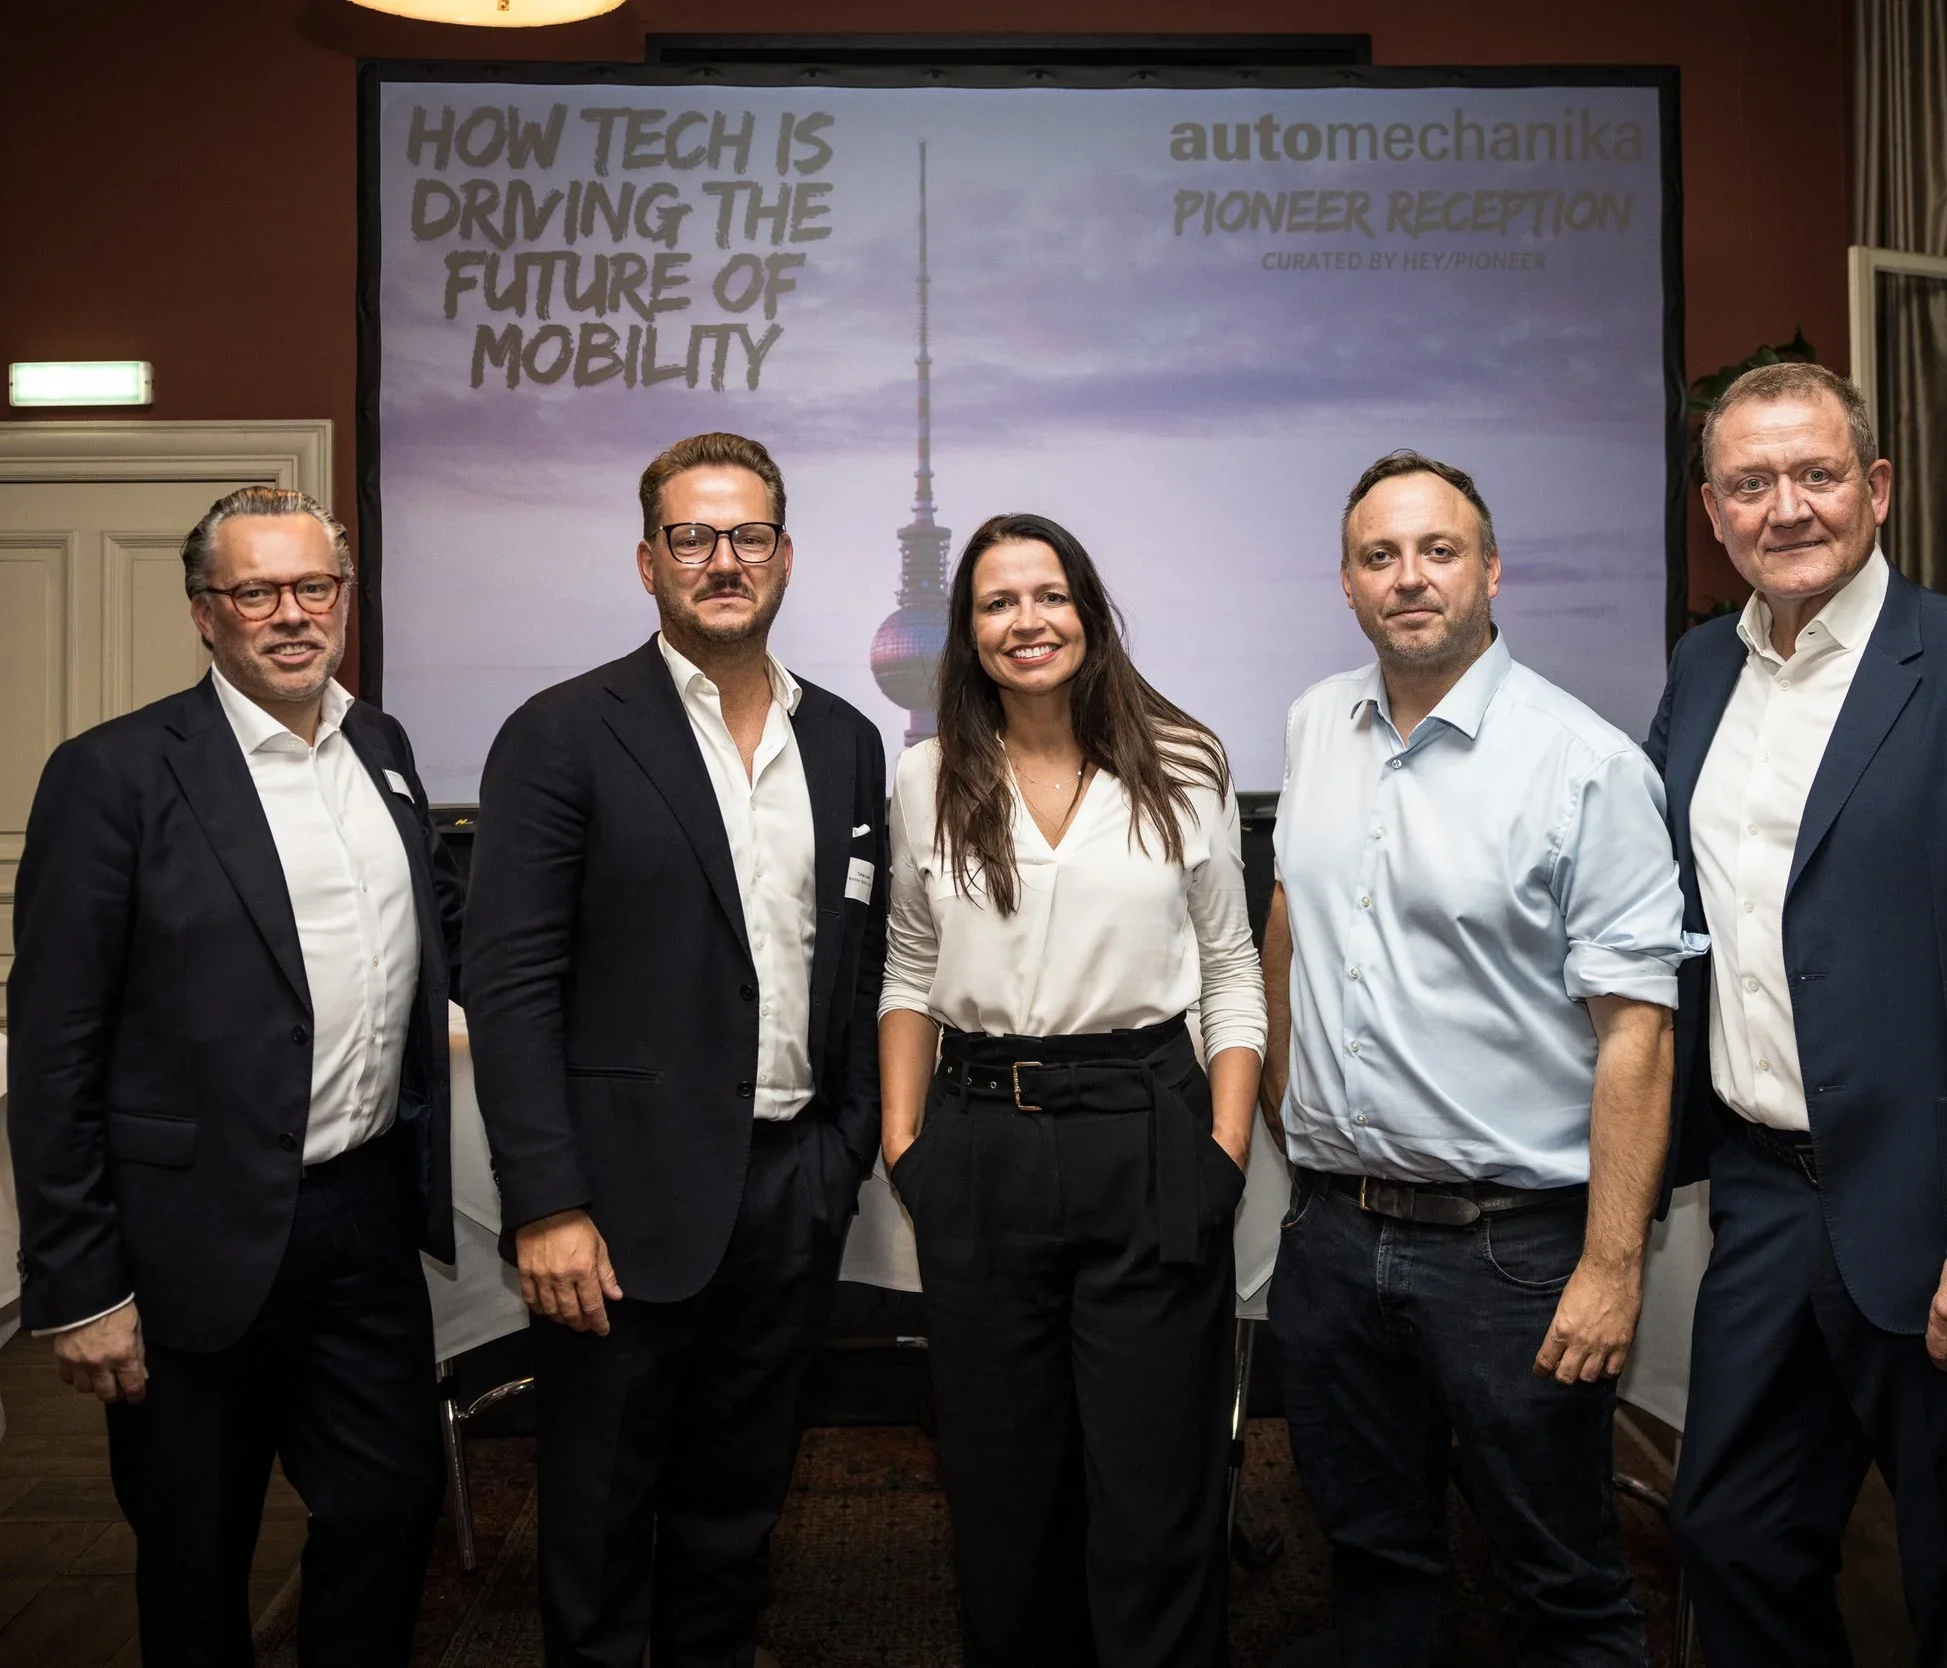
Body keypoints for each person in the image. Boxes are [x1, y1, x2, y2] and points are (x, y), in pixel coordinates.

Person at [1648, 362, 1947, 1667]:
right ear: (1714, 511)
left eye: (1815, 474)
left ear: (1876, 489)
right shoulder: (1700, 673)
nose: (1785, 506)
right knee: (1732, 1539)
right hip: (1763, 1198)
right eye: (1751, 482)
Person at [9, 485, 462, 1666]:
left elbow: (417, 942)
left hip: (363, 1214)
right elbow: (55, 1042)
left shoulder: (383, 746)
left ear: (345, 600)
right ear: (205, 615)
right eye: (255, 591)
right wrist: (80, 1286)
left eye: (315, 587)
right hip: (189, 1240)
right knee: (196, 1556)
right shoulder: (111, 776)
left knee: (389, 1504)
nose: (291, 615)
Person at [461, 432, 890, 1668]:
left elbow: (857, 967)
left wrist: (840, 1153)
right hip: (614, 1212)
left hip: (789, 1193)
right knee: (598, 1528)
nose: (722, 561)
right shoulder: (562, 733)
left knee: (735, 1513)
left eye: (747, 536)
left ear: (786, 556)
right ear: (646, 560)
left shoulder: (847, 741)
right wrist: (545, 1204)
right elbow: (512, 981)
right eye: (692, 538)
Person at [1259, 451, 1685, 1668]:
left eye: (1437, 552)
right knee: (1376, 1557)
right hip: (1336, 1239)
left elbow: (1637, 1033)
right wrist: (1299, 1119)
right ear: (1345, 582)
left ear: (1490, 571)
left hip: (1513, 1257)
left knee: (1558, 1580)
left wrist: (1610, 1268)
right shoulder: (1313, 725)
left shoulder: (1585, 766)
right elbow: (1291, 919)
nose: (1410, 579)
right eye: (1379, 556)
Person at [877, 512, 1263, 1668]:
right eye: (997, 603)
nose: (1025, 622)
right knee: (1002, 1492)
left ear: (1089, 614)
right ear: (966, 632)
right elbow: (905, 963)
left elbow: (1232, 966)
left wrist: (1224, 1149)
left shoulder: (1184, 763)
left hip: (1147, 1129)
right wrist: (907, 1142)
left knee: (1154, 1493)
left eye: (1048, 597)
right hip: (980, 1139)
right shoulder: (926, 779)